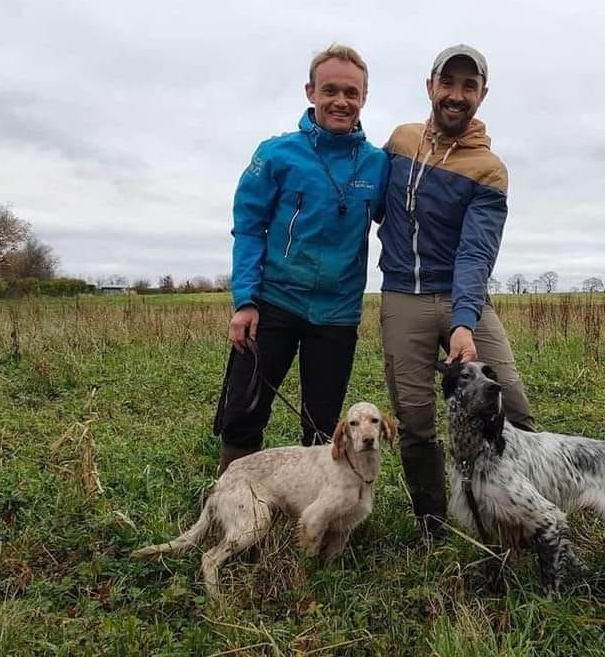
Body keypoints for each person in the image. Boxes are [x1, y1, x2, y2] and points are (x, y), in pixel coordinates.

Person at [377, 44, 534, 537]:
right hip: (403, 296)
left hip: (462, 298)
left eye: (469, 86)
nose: (457, 95)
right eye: (449, 83)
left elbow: (475, 253)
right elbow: (374, 207)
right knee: (416, 418)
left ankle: (523, 514)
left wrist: (465, 319)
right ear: (430, 86)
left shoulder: (490, 169)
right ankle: (432, 523)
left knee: (509, 402)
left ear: (482, 95)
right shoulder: (400, 142)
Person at [213, 44, 388, 475]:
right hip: (273, 302)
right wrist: (245, 300)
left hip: (338, 313)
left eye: (352, 92)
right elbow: (249, 228)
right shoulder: (275, 154)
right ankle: (232, 494)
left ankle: (317, 503)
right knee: (244, 409)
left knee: (321, 422)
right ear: (311, 92)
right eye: (330, 90)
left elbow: (402, 218)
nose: (341, 101)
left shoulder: (378, 164)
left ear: (364, 98)